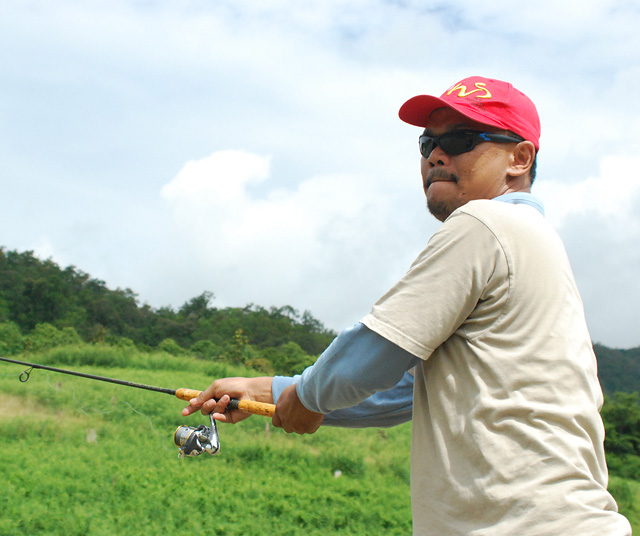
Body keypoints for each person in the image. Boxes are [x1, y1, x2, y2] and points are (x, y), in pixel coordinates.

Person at [183, 76, 632, 535]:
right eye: (428, 142)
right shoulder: (533, 241)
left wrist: (307, 397)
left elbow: (378, 352)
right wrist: (273, 391)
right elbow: (405, 389)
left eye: (460, 139)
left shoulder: (485, 223)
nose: (437, 155)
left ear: (520, 158)